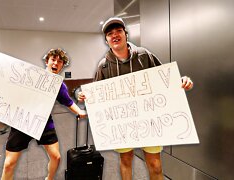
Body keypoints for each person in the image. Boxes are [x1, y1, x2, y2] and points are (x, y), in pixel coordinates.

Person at [78, 17, 194, 180]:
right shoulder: (104, 65)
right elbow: (96, 92)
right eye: (110, 34)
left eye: (118, 31)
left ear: (126, 34)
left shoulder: (144, 55)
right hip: (122, 124)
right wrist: (82, 95)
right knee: (126, 161)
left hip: (150, 120)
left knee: (155, 164)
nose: (115, 35)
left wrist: (181, 81)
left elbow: (164, 79)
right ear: (107, 40)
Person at [0, 48, 87, 180]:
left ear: (62, 65)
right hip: (22, 121)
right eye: (53, 59)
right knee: (9, 164)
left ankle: (49, 179)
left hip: (44, 122)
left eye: (60, 61)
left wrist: (80, 112)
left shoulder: (58, 85)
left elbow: (68, 102)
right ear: (47, 61)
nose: (56, 63)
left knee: (56, 157)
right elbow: (3, 80)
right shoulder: (29, 75)